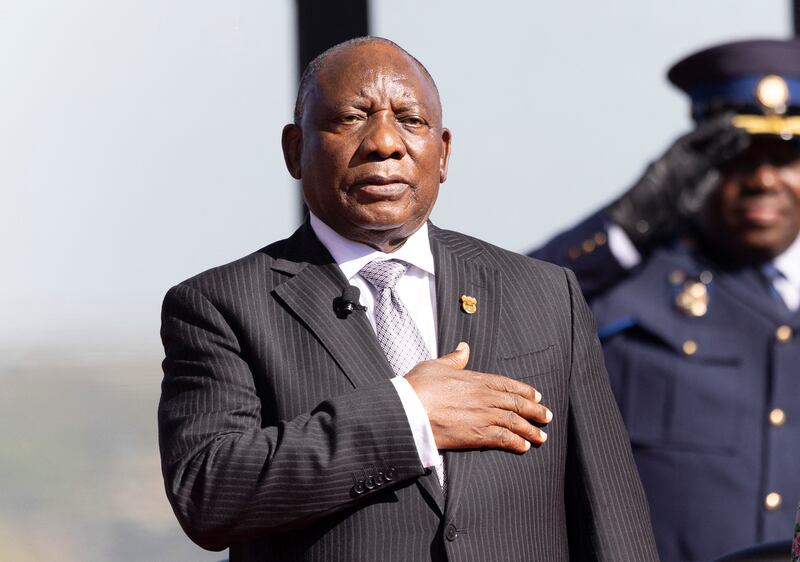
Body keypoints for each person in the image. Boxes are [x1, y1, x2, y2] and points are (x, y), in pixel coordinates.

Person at [158, 37, 658, 561]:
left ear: (442, 153)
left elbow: (613, 520)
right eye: (352, 118)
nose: (384, 144)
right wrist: (408, 416)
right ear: (293, 150)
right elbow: (208, 494)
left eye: (410, 121)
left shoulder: (545, 293)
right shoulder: (220, 305)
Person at [531, 38, 800, 562]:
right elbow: (499, 317)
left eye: (786, 156)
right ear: (695, 165)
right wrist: (627, 224)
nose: (763, 180)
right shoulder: (628, 278)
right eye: (739, 157)